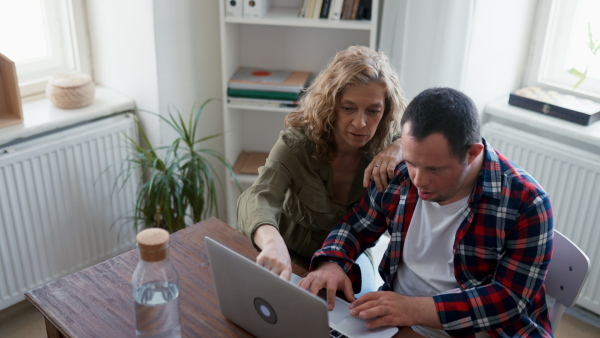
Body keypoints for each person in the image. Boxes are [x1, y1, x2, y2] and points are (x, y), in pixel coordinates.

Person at [299, 87, 554, 337]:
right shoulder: (400, 173)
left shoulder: (528, 203)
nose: (418, 180)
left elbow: (508, 300)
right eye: (411, 162)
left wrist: (412, 308)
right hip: (398, 323)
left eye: (434, 169)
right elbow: (355, 226)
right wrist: (332, 263)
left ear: (472, 153)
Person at [237, 46, 408, 296]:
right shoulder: (297, 144)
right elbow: (257, 196)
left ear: (386, 112)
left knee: (355, 322)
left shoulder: (389, 146)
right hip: (288, 251)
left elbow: (423, 138)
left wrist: (401, 145)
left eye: (373, 111)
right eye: (348, 108)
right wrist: (272, 244)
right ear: (331, 104)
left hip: (349, 257)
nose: (360, 123)